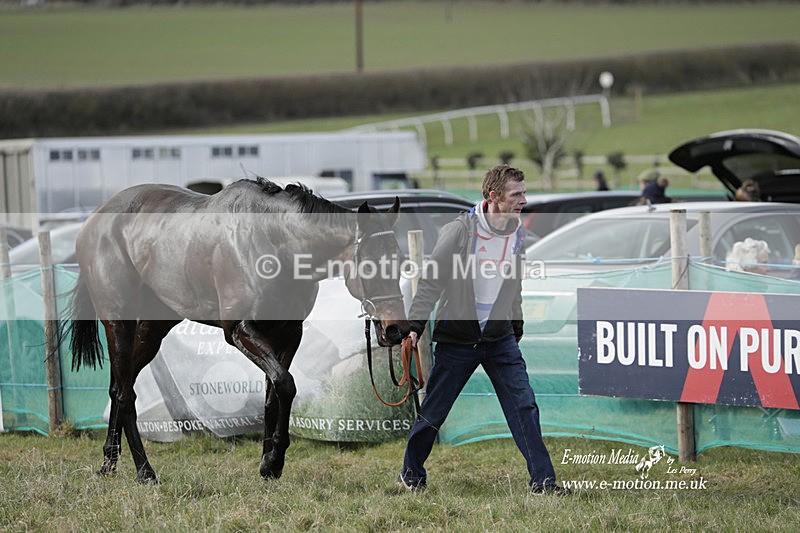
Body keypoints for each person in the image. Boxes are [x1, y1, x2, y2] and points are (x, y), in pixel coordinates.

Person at [396, 164, 569, 496]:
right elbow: (431, 283)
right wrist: (415, 327)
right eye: (517, 194)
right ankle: (411, 473)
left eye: (523, 192)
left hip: (499, 339)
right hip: (457, 339)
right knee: (434, 409)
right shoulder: (460, 231)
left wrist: (515, 323)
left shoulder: (518, 233)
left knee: (524, 407)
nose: (523, 199)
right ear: (494, 197)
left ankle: (544, 483)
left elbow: (513, 282)